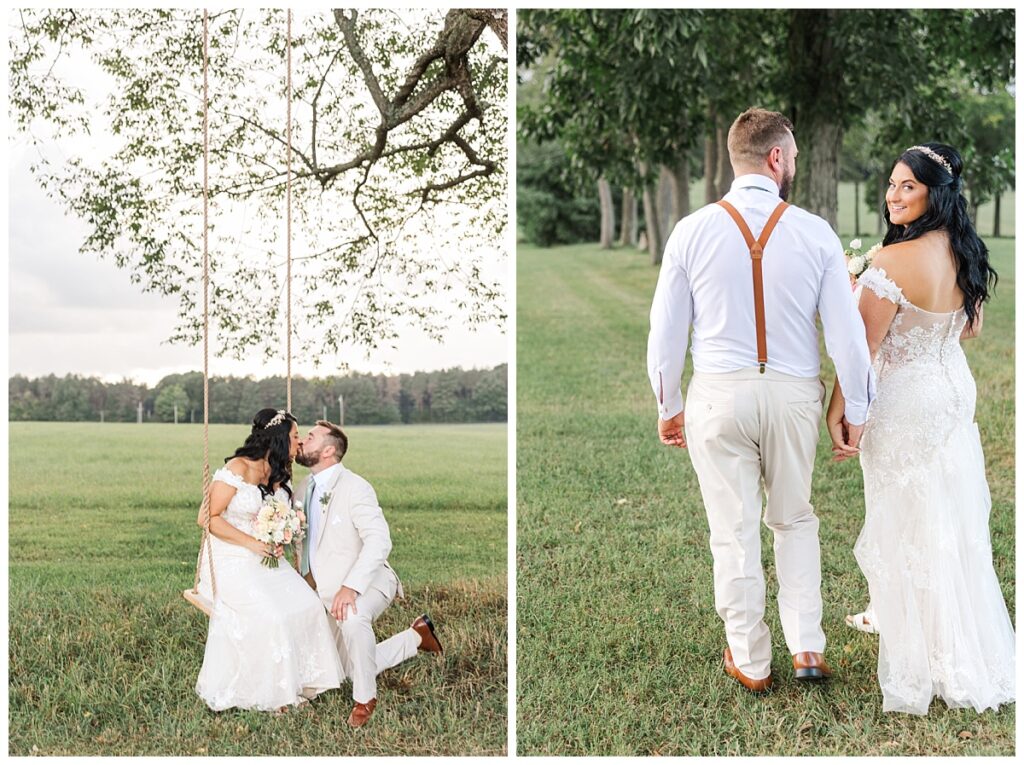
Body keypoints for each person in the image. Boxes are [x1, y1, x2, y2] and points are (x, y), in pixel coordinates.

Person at [647, 107, 874, 693]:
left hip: (718, 396)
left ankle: (750, 660)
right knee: (794, 519)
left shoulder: (691, 230)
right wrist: (858, 412)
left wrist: (668, 402)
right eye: (793, 156)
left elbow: (667, 333)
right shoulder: (815, 231)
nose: (793, 164)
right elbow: (846, 335)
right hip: (794, 396)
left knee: (734, 529)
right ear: (776, 158)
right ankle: (807, 649)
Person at [829, 143, 1015, 714]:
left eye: (908, 186)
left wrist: (841, 408)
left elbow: (865, 349)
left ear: (935, 193)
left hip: (909, 400)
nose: (893, 195)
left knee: (909, 517)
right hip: (953, 390)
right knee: (949, 511)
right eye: (891, 184)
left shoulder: (890, 262)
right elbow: (967, 331)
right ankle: (957, 643)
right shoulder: (967, 251)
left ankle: (924, 655)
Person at [294, 420, 443, 728]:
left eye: (310, 437)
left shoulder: (355, 487)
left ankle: (365, 700)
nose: (302, 441)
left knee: (352, 617)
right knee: (345, 668)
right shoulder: (301, 491)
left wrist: (350, 587)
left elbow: (379, 541)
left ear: (329, 450)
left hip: (370, 582)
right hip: (321, 592)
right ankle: (417, 637)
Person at [195, 408, 344, 712]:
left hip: (266, 559)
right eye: (294, 436)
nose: (299, 442)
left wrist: (281, 536)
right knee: (272, 616)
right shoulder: (238, 468)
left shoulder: (279, 471)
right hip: (231, 559)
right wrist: (252, 543)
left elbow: (275, 517)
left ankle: (304, 680)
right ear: (278, 438)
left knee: (309, 605)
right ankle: (275, 695)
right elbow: (206, 518)